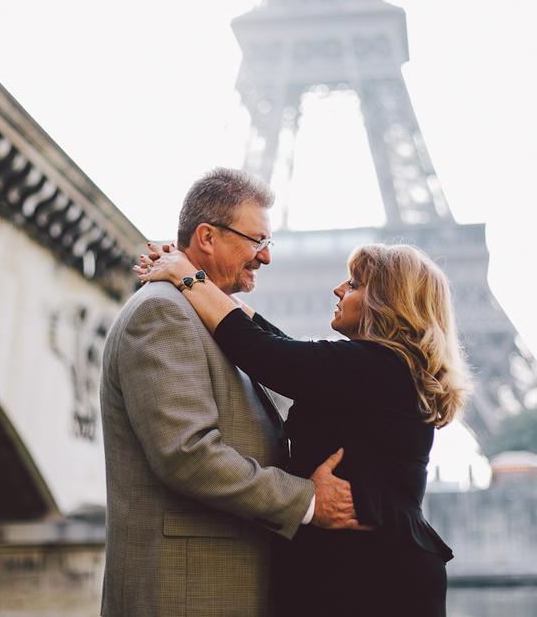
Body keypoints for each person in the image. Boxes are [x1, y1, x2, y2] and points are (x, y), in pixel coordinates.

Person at [137, 240, 473, 617]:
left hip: (367, 575)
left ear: (386, 302)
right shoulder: (385, 370)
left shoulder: (376, 367)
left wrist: (188, 276)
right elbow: (280, 345)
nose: (338, 289)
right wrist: (203, 283)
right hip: (371, 565)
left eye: (355, 284)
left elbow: (264, 352)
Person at [99, 168, 364, 617]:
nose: (265, 258)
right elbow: (187, 453)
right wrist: (307, 500)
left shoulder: (204, 314)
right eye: (256, 241)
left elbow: (285, 369)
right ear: (207, 236)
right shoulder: (163, 314)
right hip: (187, 593)